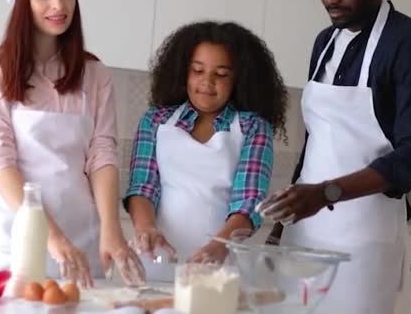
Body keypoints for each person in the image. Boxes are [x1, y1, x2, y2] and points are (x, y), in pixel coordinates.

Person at [258, 0, 411, 313]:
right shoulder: (325, 42)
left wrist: (324, 193)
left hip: (364, 237)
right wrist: (279, 227)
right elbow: (315, 141)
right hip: (304, 228)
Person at [0, 0, 144, 287]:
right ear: (24, 1)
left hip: (83, 242)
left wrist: (111, 228)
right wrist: (51, 237)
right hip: (15, 244)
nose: (58, 6)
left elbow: (102, 153)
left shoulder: (94, 74)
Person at [123, 21, 288, 281]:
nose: (206, 83)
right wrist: (146, 229)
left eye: (221, 74)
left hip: (220, 267)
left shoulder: (253, 128)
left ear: (239, 79)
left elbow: (248, 202)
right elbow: (142, 187)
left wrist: (218, 246)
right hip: (157, 259)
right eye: (197, 70)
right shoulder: (156, 121)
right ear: (182, 72)